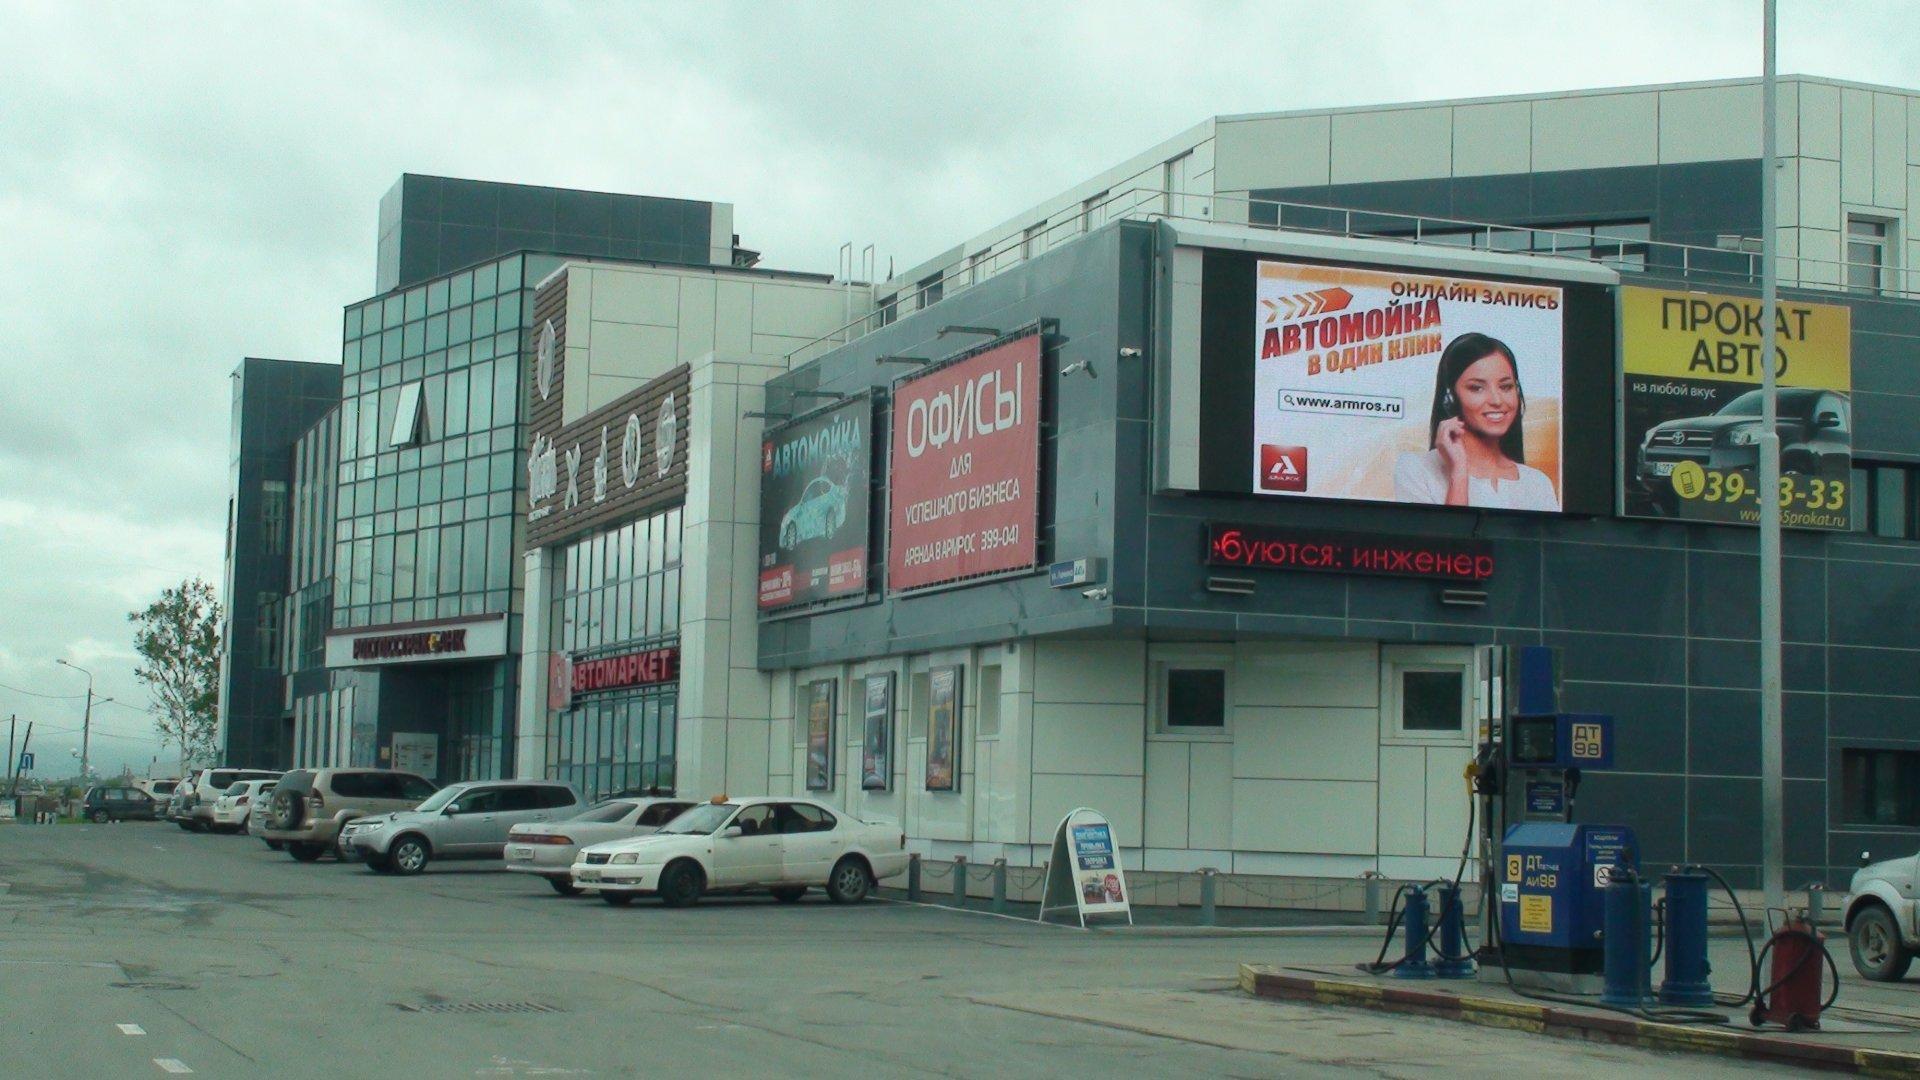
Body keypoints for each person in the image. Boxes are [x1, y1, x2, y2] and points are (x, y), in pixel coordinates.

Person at [1394, 332, 1558, 511]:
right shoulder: (1416, 470)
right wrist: (1459, 472)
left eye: (1506, 387)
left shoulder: (1537, 483)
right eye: (1477, 388)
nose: (1496, 400)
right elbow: (1447, 538)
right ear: (1449, 398)